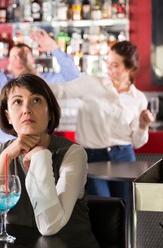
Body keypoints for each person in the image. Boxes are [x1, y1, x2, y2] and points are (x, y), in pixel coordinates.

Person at [0, 74, 103, 248]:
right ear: (7, 116)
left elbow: (50, 225)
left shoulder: (73, 154)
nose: (26, 109)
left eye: (36, 100)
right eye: (17, 102)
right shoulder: (1, 153)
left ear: (50, 113)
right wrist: (5, 159)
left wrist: (39, 156)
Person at [49, 41, 154, 197]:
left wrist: (143, 125)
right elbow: (59, 91)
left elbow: (137, 142)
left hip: (123, 156)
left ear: (130, 67)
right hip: (92, 157)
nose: (108, 68)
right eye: (108, 62)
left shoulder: (138, 98)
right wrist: (27, 85)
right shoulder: (91, 83)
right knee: (102, 209)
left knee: (126, 209)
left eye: (115, 65)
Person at [0, 29, 80, 143]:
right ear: (9, 62)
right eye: (15, 56)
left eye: (24, 55)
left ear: (33, 60)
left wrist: (55, 49)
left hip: (41, 143)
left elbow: (74, 77)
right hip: (4, 144)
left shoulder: (46, 80)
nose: (20, 60)